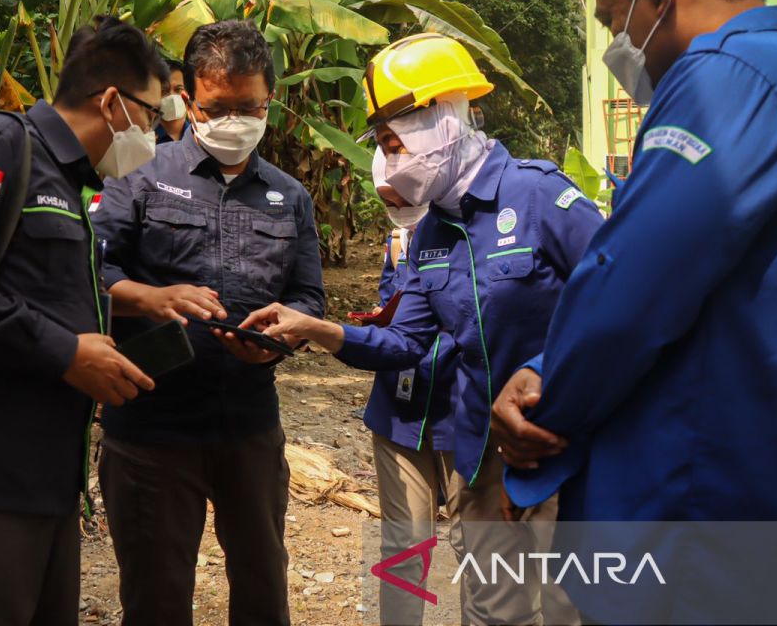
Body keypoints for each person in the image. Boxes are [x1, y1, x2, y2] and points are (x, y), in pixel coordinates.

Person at [492, 0, 777, 625]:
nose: (625, 49)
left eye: (617, 20)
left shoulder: (724, 79)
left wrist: (544, 413)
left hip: (695, 526)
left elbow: (633, 287)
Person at [241, 33, 604, 626]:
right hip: (482, 450)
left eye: (394, 141)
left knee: (572, 601)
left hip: (563, 442)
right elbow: (406, 342)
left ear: (442, 121)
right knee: (495, 607)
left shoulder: (538, 195)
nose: (388, 160)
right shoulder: (432, 233)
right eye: (382, 145)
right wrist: (318, 329)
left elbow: (617, 296)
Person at [0, 16, 166, 625]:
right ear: (114, 102)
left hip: (46, 486)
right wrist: (64, 352)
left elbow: (42, 294)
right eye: (152, 114)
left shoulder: (69, 182)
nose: (154, 133)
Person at [91, 19, 325, 626]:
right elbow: (83, 273)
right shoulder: (139, 175)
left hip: (248, 425)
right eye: (218, 108)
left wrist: (277, 342)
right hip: (150, 426)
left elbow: (309, 296)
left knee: (262, 586)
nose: (234, 121)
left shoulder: (289, 196)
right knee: (156, 594)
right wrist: (149, 298)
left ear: (270, 99)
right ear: (188, 100)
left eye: (249, 107)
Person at [364, 154, 463, 626]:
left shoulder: (470, 231)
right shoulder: (398, 239)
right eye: (387, 200)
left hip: (464, 413)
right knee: (404, 544)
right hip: (398, 413)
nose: (398, 206)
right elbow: (395, 305)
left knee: (479, 545)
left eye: (404, 197)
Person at [155, 58, 190, 144]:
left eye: (178, 89)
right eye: (164, 91)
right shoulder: (145, 139)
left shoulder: (198, 139)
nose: (172, 96)